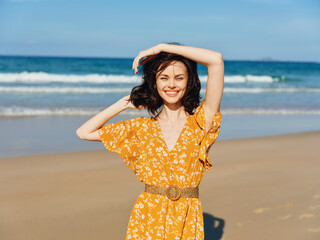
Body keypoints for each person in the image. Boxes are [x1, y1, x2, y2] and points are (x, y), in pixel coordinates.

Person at [76, 42, 224, 239]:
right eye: (164, 78)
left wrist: (162, 48)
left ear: (189, 82)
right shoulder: (141, 128)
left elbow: (216, 61)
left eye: (179, 78)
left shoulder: (201, 122)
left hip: (187, 218)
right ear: (155, 83)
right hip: (147, 217)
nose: (171, 84)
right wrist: (125, 103)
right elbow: (84, 132)